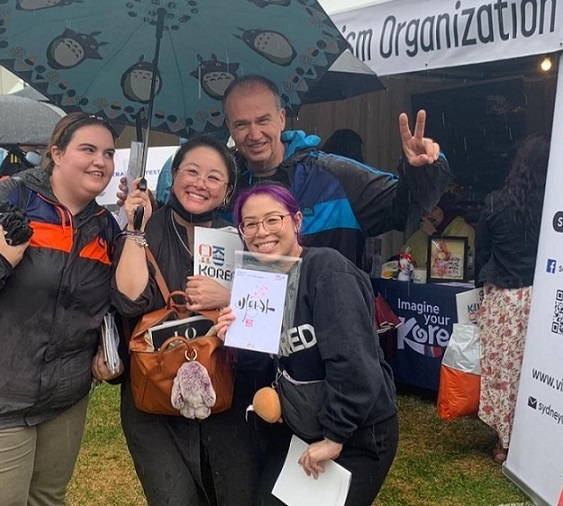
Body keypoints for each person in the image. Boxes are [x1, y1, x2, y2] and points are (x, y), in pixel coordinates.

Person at [119, 74, 451, 266]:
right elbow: (185, 228)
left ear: (281, 118)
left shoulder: (335, 176)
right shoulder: (225, 185)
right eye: (241, 124)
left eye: (263, 120)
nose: (254, 133)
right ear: (230, 129)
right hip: (246, 348)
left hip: (322, 348)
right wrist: (150, 206)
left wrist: (420, 170)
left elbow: (403, 209)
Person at [215, 183, 399, 506]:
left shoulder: (327, 271)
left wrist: (335, 436)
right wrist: (238, 339)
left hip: (358, 431)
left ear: (297, 221)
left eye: (273, 219)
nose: (262, 232)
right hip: (302, 429)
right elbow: (262, 371)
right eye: (251, 224)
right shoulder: (261, 281)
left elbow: (354, 362)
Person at [111, 135, 269, 505]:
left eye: (214, 177)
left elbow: (267, 313)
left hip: (225, 388)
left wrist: (229, 296)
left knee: (235, 493)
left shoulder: (239, 236)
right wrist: (135, 228)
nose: (200, 183)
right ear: (173, 174)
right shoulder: (146, 225)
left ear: (228, 190)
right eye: (191, 171)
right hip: (155, 389)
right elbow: (129, 300)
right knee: (173, 497)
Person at [0, 112, 123, 505]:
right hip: (6, 393)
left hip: (67, 394)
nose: (100, 161)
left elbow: (120, 304)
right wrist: (3, 261)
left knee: (49, 497)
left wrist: (107, 350)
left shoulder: (106, 227)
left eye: (108, 152)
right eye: (87, 149)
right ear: (56, 152)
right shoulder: (11, 199)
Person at [475, 133, 550, 464]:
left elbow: (481, 255)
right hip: (542, 298)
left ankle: (506, 442)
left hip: (503, 299)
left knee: (502, 372)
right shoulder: (550, 208)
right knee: (536, 369)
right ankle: (538, 435)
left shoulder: (494, 203)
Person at [403, 192, 475, 270]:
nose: (429, 214)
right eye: (426, 210)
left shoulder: (463, 230)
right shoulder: (419, 235)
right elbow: (404, 254)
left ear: (444, 210)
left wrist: (434, 235)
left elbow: (457, 266)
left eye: (434, 209)